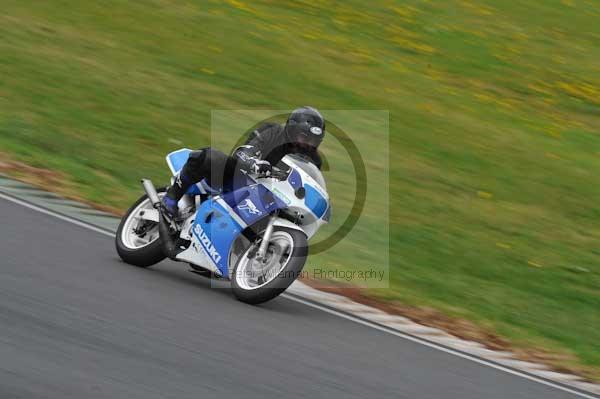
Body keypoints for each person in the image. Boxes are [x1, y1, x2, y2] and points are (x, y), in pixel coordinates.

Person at [161, 106, 326, 217]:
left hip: (275, 195)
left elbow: (310, 184)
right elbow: (242, 152)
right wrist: (255, 163)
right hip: (242, 179)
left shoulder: (313, 160)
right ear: (292, 128)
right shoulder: (271, 131)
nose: (307, 144)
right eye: (304, 137)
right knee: (210, 157)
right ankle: (171, 197)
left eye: (313, 140)